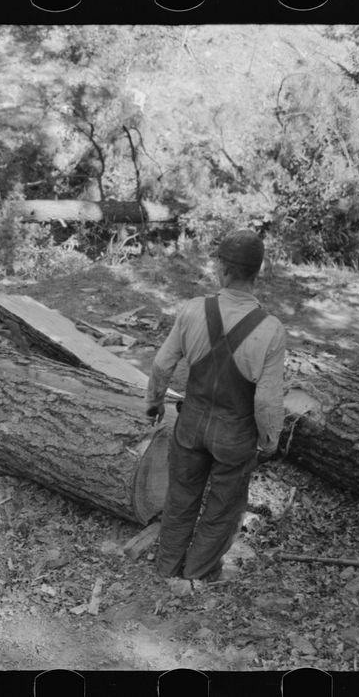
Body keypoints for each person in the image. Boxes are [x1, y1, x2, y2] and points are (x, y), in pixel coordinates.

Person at [145, 229, 287, 586]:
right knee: (223, 509)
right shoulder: (270, 330)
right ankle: (199, 575)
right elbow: (267, 400)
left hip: (191, 425)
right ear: (257, 274)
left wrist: (155, 402)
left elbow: (162, 365)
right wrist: (269, 440)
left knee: (180, 499)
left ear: (222, 270)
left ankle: (167, 569)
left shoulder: (193, 310)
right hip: (234, 436)